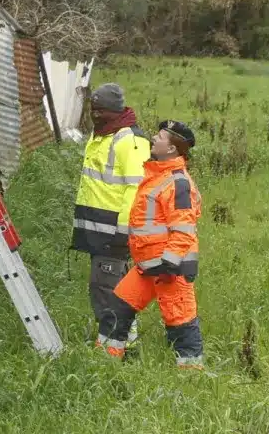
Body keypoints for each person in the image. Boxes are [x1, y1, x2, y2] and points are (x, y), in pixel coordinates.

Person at [100, 119, 204, 369]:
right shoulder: (158, 176)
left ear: (171, 148)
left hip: (170, 269)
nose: (153, 139)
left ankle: (191, 377)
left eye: (160, 137)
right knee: (117, 308)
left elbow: (183, 229)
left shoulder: (177, 183)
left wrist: (170, 264)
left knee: (180, 322)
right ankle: (105, 362)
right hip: (149, 267)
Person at [71, 83, 150, 351]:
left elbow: (136, 190)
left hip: (114, 231)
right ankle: (127, 343)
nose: (95, 115)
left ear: (115, 111)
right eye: (93, 110)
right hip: (98, 228)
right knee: (112, 287)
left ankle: (110, 349)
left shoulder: (130, 141)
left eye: (101, 110)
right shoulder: (102, 135)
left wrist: (123, 232)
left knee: (106, 290)